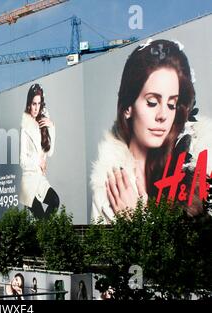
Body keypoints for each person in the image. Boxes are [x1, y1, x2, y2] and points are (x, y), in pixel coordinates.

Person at [90, 39, 209, 223]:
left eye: (171, 105)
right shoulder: (110, 188)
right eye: (152, 102)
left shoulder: (196, 171)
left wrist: (139, 218)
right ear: (128, 107)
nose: (163, 115)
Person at [19, 83, 60, 219]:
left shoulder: (42, 124)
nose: (36, 108)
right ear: (29, 104)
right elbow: (22, 161)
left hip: (40, 180)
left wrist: (52, 127)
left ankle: (42, 238)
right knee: (42, 220)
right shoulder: (25, 127)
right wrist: (38, 162)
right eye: (33, 104)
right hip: (30, 182)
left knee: (55, 201)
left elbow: (50, 152)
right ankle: (44, 238)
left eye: (38, 104)